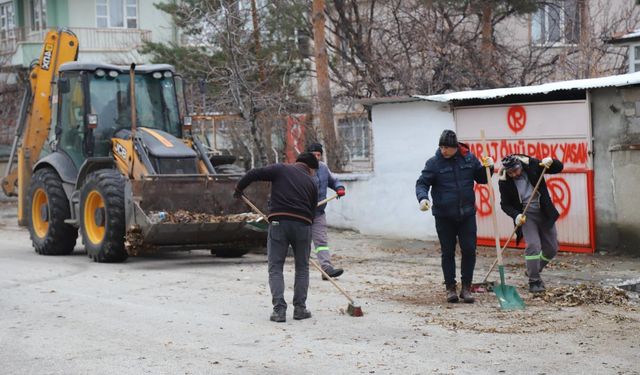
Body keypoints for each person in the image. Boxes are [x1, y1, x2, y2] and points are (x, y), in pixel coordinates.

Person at [234, 152, 319, 322]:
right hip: (303, 225)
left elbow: (253, 174)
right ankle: (300, 309)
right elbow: (313, 210)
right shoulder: (312, 183)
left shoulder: (281, 169)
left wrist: (239, 188)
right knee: (302, 268)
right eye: (314, 171)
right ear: (310, 168)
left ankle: (279, 310)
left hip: (279, 223)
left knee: (276, 267)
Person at [415, 129, 493, 304]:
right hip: (444, 216)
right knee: (448, 252)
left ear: (455, 147)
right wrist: (423, 198)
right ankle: (450, 288)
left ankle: (466, 288)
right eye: (441, 147)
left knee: (469, 250)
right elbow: (422, 183)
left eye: (447, 148)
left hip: (466, 214)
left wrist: (489, 166)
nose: (443, 151)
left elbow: (482, 178)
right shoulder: (434, 163)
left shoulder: (469, 159)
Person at [498, 154, 563, 293]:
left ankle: (534, 269)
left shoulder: (533, 165)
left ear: (520, 165)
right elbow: (505, 204)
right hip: (526, 216)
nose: (514, 174)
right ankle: (534, 281)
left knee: (551, 248)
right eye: (510, 172)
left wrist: (551, 162)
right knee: (533, 245)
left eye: (516, 170)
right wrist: (516, 216)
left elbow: (558, 168)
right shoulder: (504, 181)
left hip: (544, 211)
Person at [306, 143, 346, 280]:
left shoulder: (323, 168)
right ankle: (301, 270)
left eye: (319, 155)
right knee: (302, 242)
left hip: (318, 213)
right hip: (302, 213)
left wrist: (339, 187)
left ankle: (326, 269)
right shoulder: (300, 169)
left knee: (321, 242)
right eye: (314, 155)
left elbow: (333, 181)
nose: (316, 157)